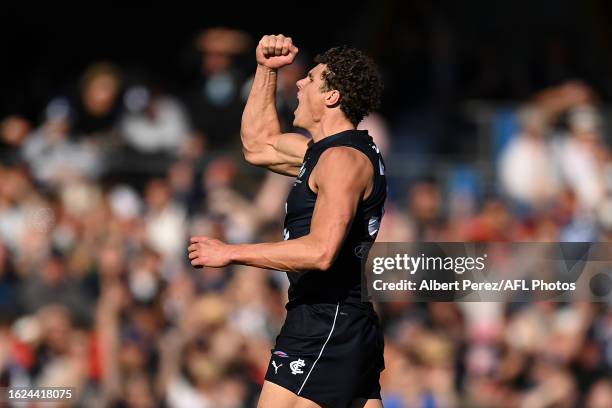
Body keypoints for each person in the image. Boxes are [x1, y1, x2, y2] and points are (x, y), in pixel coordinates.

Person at [188, 34, 387, 407]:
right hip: (329, 318)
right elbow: (258, 144)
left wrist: (231, 252)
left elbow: (321, 251)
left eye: (310, 79)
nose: (298, 82)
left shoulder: (343, 161)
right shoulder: (323, 154)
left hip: (327, 321)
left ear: (331, 97)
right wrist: (265, 70)